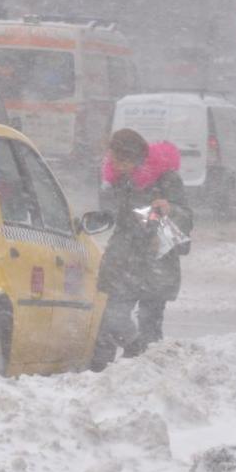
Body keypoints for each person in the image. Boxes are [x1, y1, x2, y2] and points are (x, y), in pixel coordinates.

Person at [90, 128, 192, 371]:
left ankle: (148, 371)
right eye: (111, 158)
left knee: (150, 323)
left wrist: (169, 209)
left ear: (133, 158)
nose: (112, 163)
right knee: (111, 319)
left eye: (117, 159)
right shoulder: (115, 180)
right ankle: (98, 373)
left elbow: (185, 216)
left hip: (155, 261)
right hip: (124, 261)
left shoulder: (166, 179)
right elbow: (116, 217)